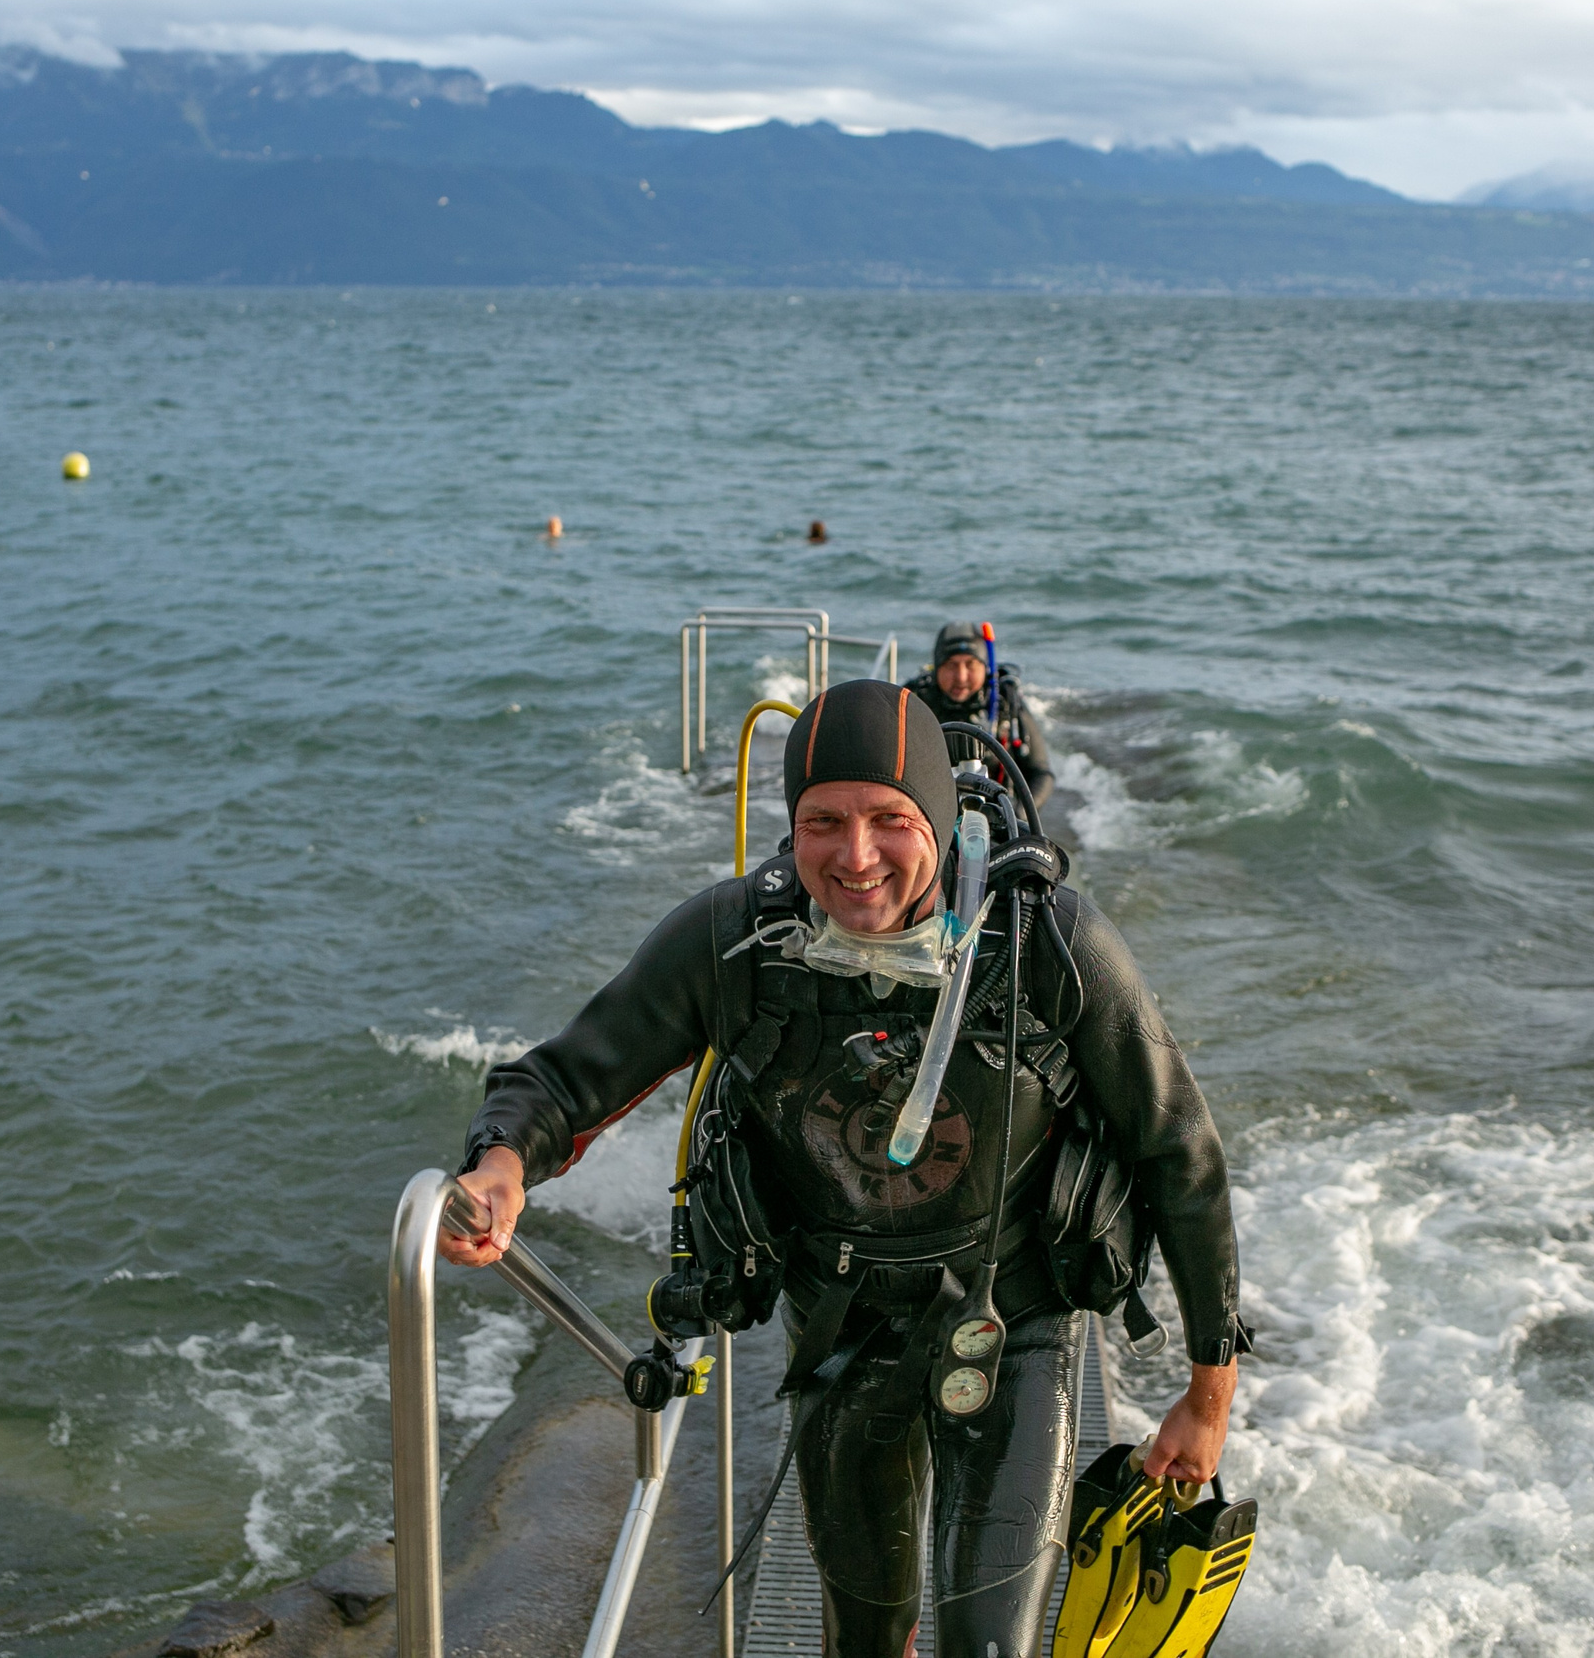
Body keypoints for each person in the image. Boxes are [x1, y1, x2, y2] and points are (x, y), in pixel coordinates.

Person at [440, 680, 1241, 1658]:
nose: (855, 858)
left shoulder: (1046, 943)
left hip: (1011, 1320)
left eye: (889, 821)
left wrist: (1207, 1397)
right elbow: (563, 1077)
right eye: (821, 821)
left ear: (940, 824)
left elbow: (1178, 1152)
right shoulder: (736, 942)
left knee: (989, 1641)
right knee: (863, 1630)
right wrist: (501, 1165)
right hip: (841, 1329)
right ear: (791, 826)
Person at [905, 621, 1054, 809]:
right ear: (936, 668)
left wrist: (1019, 816)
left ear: (985, 667)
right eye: (951, 665)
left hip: (998, 812)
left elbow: (1041, 774)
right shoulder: (915, 703)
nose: (960, 676)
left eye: (970, 664)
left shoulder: (1005, 703)